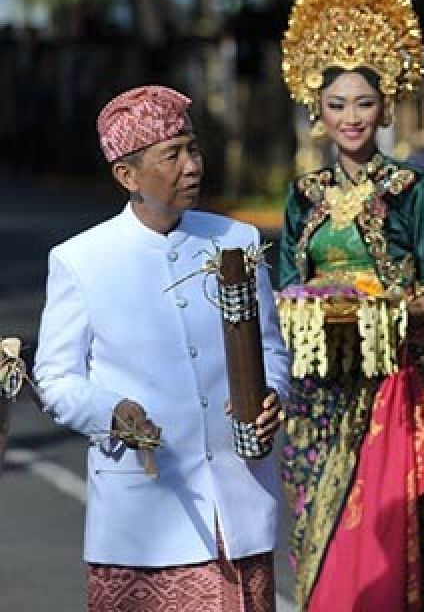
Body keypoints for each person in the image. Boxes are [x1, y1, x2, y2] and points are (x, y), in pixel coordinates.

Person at [276, 0, 424, 612]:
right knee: (322, 549)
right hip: (319, 393)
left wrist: (385, 308)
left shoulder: (413, 191)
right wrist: (310, 306)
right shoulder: (303, 196)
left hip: (393, 383)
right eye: (337, 106)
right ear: (317, 112)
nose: (351, 118)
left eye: (363, 103)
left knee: (388, 541)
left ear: (386, 104)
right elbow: (281, 288)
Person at [34, 84, 289, 611]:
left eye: (192, 148)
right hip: (141, 516)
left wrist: (273, 398)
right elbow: (56, 379)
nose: (190, 166)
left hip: (235, 510)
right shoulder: (82, 259)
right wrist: (113, 412)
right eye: (170, 155)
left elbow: (271, 347)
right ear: (127, 176)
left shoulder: (236, 242)